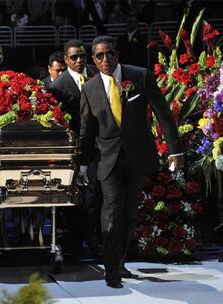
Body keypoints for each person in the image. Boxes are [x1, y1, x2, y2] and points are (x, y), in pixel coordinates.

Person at [79, 35, 183, 288]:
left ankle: (120, 260)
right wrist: (82, 164)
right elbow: (86, 129)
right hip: (107, 159)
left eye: (110, 54)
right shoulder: (89, 89)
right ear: (93, 59)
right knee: (112, 213)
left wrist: (175, 151)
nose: (106, 59)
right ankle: (111, 270)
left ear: (117, 54)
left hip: (137, 156)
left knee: (129, 214)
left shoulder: (139, 76)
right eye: (100, 55)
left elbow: (163, 115)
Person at [49, 39, 101, 260]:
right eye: (74, 57)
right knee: (73, 201)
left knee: (95, 198)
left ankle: (95, 242)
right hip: (72, 150)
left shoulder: (97, 77)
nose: (79, 60)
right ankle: (73, 244)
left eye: (82, 56)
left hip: (98, 146)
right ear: (66, 60)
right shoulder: (58, 87)